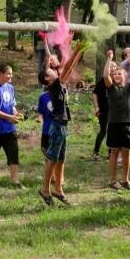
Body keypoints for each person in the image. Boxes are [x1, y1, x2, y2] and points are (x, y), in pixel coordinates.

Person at [38, 39, 89, 205]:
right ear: (48, 79)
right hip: (58, 125)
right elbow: (67, 68)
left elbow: (70, 67)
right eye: (49, 71)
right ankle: (45, 189)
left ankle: (58, 189)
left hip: (63, 125)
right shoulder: (54, 86)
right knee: (52, 158)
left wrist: (79, 51)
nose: (53, 70)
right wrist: (76, 51)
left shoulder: (58, 84)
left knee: (60, 159)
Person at [102, 48, 130, 190]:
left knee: (126, 152)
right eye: (114, 73)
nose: (116, 75)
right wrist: (109, 58)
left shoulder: (128, 87)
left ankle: (125, 179)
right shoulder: (110, 88)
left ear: (125, 76)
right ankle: (112, 180)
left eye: (119, 73)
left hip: (127, 123)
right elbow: (105, 76)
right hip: (114, 124)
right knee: (114, 152)